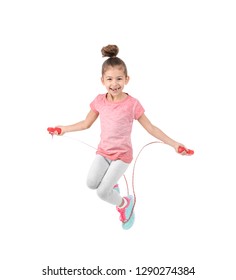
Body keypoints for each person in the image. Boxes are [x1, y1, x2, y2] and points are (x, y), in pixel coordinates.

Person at [51, 44, 191, 230]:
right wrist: (63, 129)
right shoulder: (99, 101)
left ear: (127, 79)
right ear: (102, 80)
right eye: (109, 79)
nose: (114, 83)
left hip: (121, 156)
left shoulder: (132, 104)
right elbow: (86, 123)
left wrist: (174, 144)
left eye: (119, 79)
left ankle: (126, 204)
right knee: (91, 183)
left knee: (102, 193)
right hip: (103, 153)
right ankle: (114, 185)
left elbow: (151, 128)